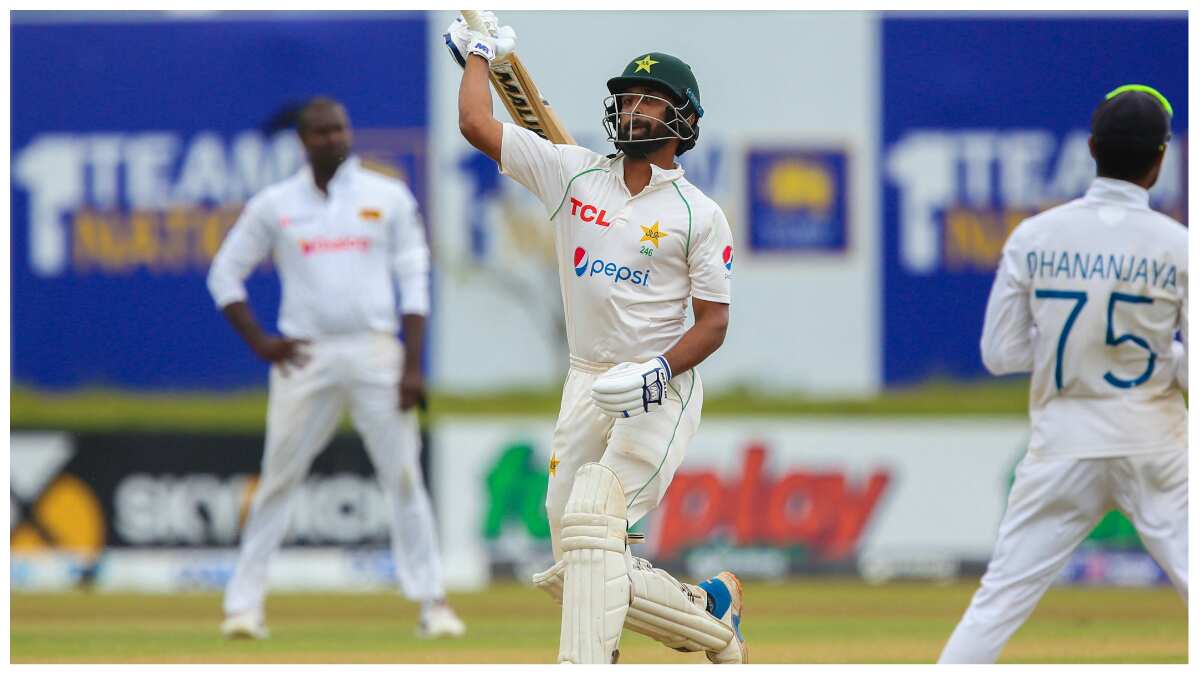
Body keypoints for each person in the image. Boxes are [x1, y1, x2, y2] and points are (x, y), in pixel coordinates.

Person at [446, 13, 746, 664]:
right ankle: (711, 620)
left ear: (683, 121)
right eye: (626, 99)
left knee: (593, 520)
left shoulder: (699, 214)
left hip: (659, 386)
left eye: (649, 101)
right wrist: (477, 56)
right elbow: (476, 125)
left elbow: (714, 323)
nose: (633, 110)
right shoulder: (573, 175)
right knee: (577, 562)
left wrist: (658, 372)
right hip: (587, 379)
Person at [939, 84, 1187, 663]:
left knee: (997, 603)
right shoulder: (1179, 247)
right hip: (1155, 443)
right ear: (1160, 158)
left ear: (1093, 148)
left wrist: (1065, 352)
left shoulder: (1035, 235)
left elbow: (1000, 354)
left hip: (1062, 445)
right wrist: (1160, 357)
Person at [206, 97, 465, 640]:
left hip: (375, 349)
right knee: (278, 477)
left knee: (403, 476)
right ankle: (244, 608)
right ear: (303, 141)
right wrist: (261, 343)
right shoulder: (275, 204)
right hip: (306, 353)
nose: (334, 139)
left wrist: (412, 364)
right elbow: (224, 275)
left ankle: (432, 603)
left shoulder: (386, 196)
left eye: (341, 129)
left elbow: (414, 278)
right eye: (322, 133)